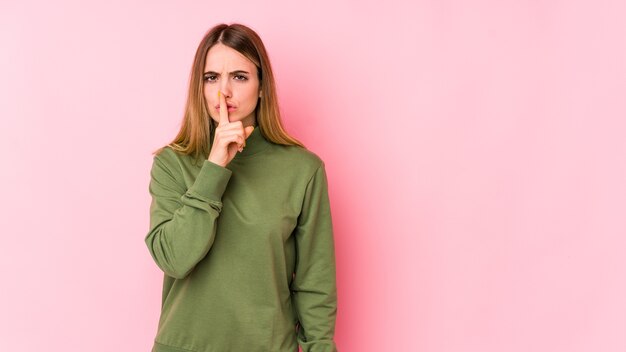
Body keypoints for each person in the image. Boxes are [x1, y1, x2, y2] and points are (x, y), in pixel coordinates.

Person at [144, 23, 338, 352]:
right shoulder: (172, 163)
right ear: (199, 87)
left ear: (262, 87)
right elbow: (173, 259)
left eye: (239, 76)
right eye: (211, 78)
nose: (225, 92)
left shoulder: (303, 170)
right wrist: (214, 167)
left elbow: (314, 284)